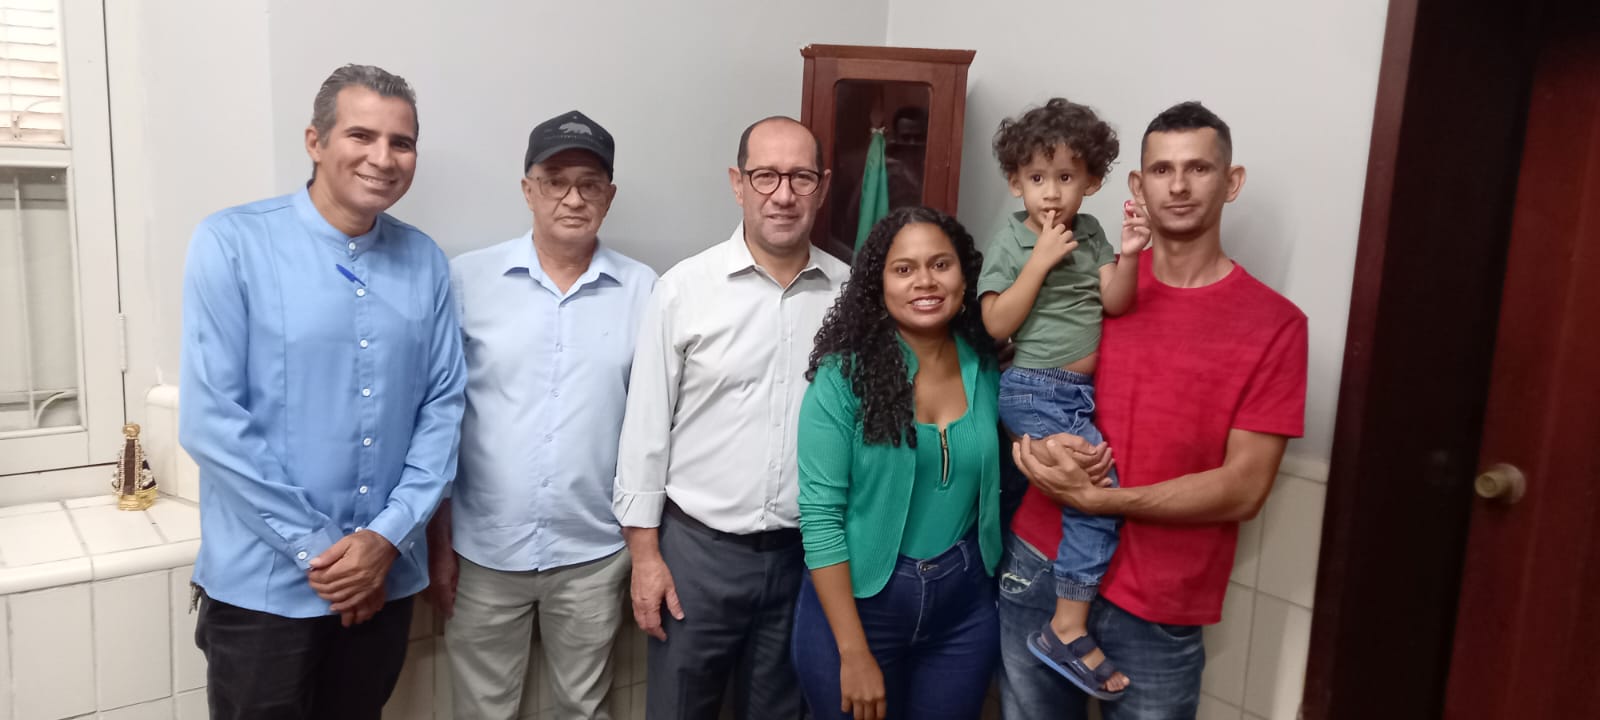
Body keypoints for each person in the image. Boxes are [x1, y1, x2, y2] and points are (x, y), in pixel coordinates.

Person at [996, 101, 1308, 720]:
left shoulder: (1275, 325)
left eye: (1199, 168)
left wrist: (1103, 500)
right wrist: (1034, 446)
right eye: (1162, 170)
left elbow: (1245, 488)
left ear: (1232, 181)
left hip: (1161, 599)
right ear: (1138, 186)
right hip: (1040, 567)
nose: (1180, 185)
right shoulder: (1083, 287)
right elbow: (1017, 384)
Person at [178, 64, 466, 720]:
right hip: (264, 590)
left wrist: (385, 540)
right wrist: (328, 557)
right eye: (361, 135)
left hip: (383, 580)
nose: (383, 158)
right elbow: (212, 421)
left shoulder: (425, 260)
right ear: (315, 141)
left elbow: (443, 408)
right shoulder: (231, 243)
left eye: (401, 142)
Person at [613, 116, 851, 720]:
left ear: (822, 186)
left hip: (805, 558)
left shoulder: (850, 295)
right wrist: (646, 558)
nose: (783, 194)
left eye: (800, 177)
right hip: (697, 556)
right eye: (765, 175)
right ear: (737, 183)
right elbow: (644, 434)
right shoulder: (683, 290)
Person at [432, 110, 655, 720]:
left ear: (610, 196)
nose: (573, 199)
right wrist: (438, 541)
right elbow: (440, 418)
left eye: (590, 184)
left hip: (593, 553)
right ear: (528, 189)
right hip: (483, 550)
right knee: (481, 711)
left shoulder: (645, 291)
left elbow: (655, 428)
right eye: (555, 181)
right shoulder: (466, 280)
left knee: (584, 708)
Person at [791, 206, 1003, 720]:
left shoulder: (985, 363)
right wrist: (853, 653)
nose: (925, 282)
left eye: (940, 264)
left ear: (964, 276)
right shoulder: (843, 378)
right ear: (878, 285)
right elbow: (820, 519)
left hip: (963, 609)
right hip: (860, 612)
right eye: (903, 269)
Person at [977, 98, 1147, 699]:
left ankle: (1067, 619)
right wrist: (1041, 261)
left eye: (1066, 177)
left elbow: (1116, 302)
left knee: (1092, 490)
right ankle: (1066, 625)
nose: (1050, 193)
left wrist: (1129, 254)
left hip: (1075, 396)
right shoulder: (1012, 239)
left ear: (1092, 182)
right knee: (1098, 492)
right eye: (1036, 178)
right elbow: (995, 324)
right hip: (1033, 387)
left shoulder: (1092, 232)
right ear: (1015, 182)